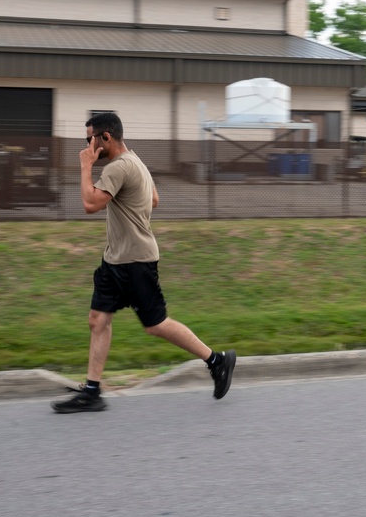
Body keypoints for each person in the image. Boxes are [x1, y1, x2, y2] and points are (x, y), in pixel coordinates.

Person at [51, 113, 235, 413]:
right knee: (98, 320)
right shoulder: (135, 161)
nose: (87, 146)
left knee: (156, 325)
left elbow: (89, 204)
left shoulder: (119, 167)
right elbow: (154, 200)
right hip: (115, 259)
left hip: (136, 262)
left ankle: (216, 361)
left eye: (89, 139)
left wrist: (84, 166)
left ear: (105, 138)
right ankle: (92, 391)